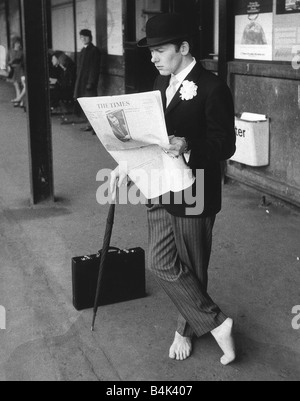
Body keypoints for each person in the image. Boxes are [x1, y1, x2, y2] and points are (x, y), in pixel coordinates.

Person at [111, 13, 237, 364]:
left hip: (195, 189)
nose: (153, 57)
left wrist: (189, 145)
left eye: (160, 50)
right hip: (157, 185)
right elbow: (151, 136)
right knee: (160, 262)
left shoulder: (212, 87)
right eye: (151, 51)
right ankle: (216, 323)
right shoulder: (158, 80)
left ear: (183, 48)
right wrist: (126, 164)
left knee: (193, 265)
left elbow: (225, 145)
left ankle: (184, 329)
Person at [74, 29, 101, 133]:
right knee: (86, 105)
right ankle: (90, 124)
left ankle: (96, 127)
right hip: (82, 82)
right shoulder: (83, 50)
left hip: (89, 83)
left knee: (92, 105)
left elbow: (94, 68)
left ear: (90, 37)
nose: (83, 39)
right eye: (81, 37)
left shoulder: (94, 50)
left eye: (85, 37)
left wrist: (91, 82)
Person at [8, 37, 24, 102]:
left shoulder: (21, 52)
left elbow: (23, 61)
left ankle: (20, 100)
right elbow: (7, 61)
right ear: (14, 43)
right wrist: (10, 64)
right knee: (16, 85)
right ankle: (19, 99)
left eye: (19, 43)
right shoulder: (10, 51)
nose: (18, 44)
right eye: (17, 43)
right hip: (13, 70)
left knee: (20, 85)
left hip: (19, 69)